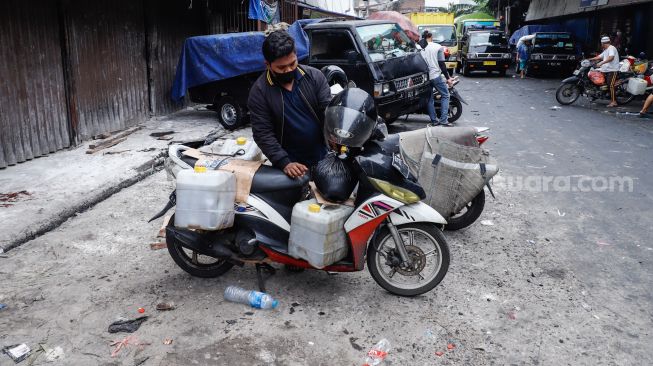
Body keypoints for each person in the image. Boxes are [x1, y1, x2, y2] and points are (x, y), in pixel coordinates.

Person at [247, 30, 331, 178]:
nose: (288, 70)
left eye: (292, 63)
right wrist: (284, 162)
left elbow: (328, 112)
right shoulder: (259, 92)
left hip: (322, 157)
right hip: (289, 167)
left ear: (296, 55)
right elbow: (263, 133)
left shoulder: (315, 77)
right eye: (281, 67)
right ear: (268, 64)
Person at [421, 31, 454, 126]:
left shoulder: (419, 47)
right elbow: (442, 64)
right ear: (431, 36)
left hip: (425, 78)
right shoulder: (437, 47)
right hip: (435, 76)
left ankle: (434, 121)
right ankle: (443, 120)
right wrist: (448, 78)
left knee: (429, 99)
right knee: (445, 95)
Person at [590, 36, 621, 107]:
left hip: (612, 70)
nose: (601, 45)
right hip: (605, 70)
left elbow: (611, 57)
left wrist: (601, 63)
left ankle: (614, 102)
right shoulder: (606, 50)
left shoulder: (611, 48)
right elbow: (599, 57)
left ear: (603, 43)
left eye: (602, 44)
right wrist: (589, 59)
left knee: (611, 85)